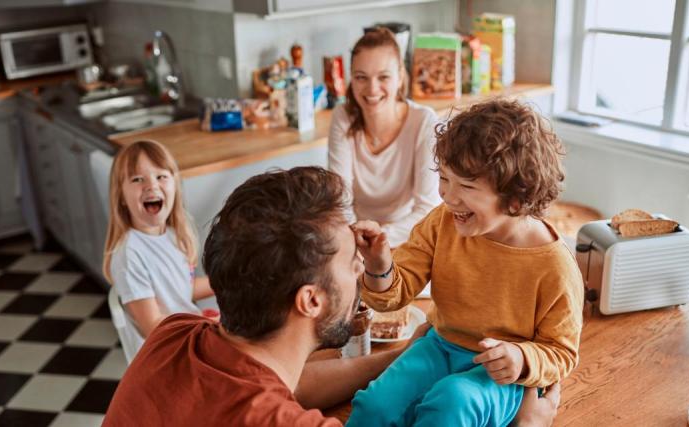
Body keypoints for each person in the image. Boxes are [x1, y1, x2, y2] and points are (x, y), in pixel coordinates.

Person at [103, 166, 562, 426]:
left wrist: (402, 356)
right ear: (311, 301)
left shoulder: (174, 335)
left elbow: (284, 383)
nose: (362, 266)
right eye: (350, 262)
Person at [349, 100, 584, 426]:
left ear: (516, 198)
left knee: (451, 402)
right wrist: (379, 264)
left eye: (467, 186)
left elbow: (561, 352)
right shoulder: (441, 223)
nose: (448, 195)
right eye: (444, 178)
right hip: (439, 347)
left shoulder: (555, 266)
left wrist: (520, 357)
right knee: (375, 405)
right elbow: (393, 294)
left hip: (500, 376)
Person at [328, 27, 441, 248]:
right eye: (361, 77)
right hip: (355, 240)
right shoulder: (342, 117)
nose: (372, 89)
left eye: (383, 77)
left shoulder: (423, 121)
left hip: (408, 239)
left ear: (400, 76)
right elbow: (339, 201)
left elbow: (427, 208)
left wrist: (377, 237)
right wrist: (359, 241)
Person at [103, 140, 214, 355]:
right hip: (166, 353)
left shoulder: (173, 236)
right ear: (121, 197)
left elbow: (182, 289)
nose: (151, 186)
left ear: (175, 184)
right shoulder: (130, 254)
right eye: (137, 179)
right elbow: (153, 326)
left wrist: (226, 281)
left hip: (187, 338)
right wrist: (203, 324)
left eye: (161, 176)